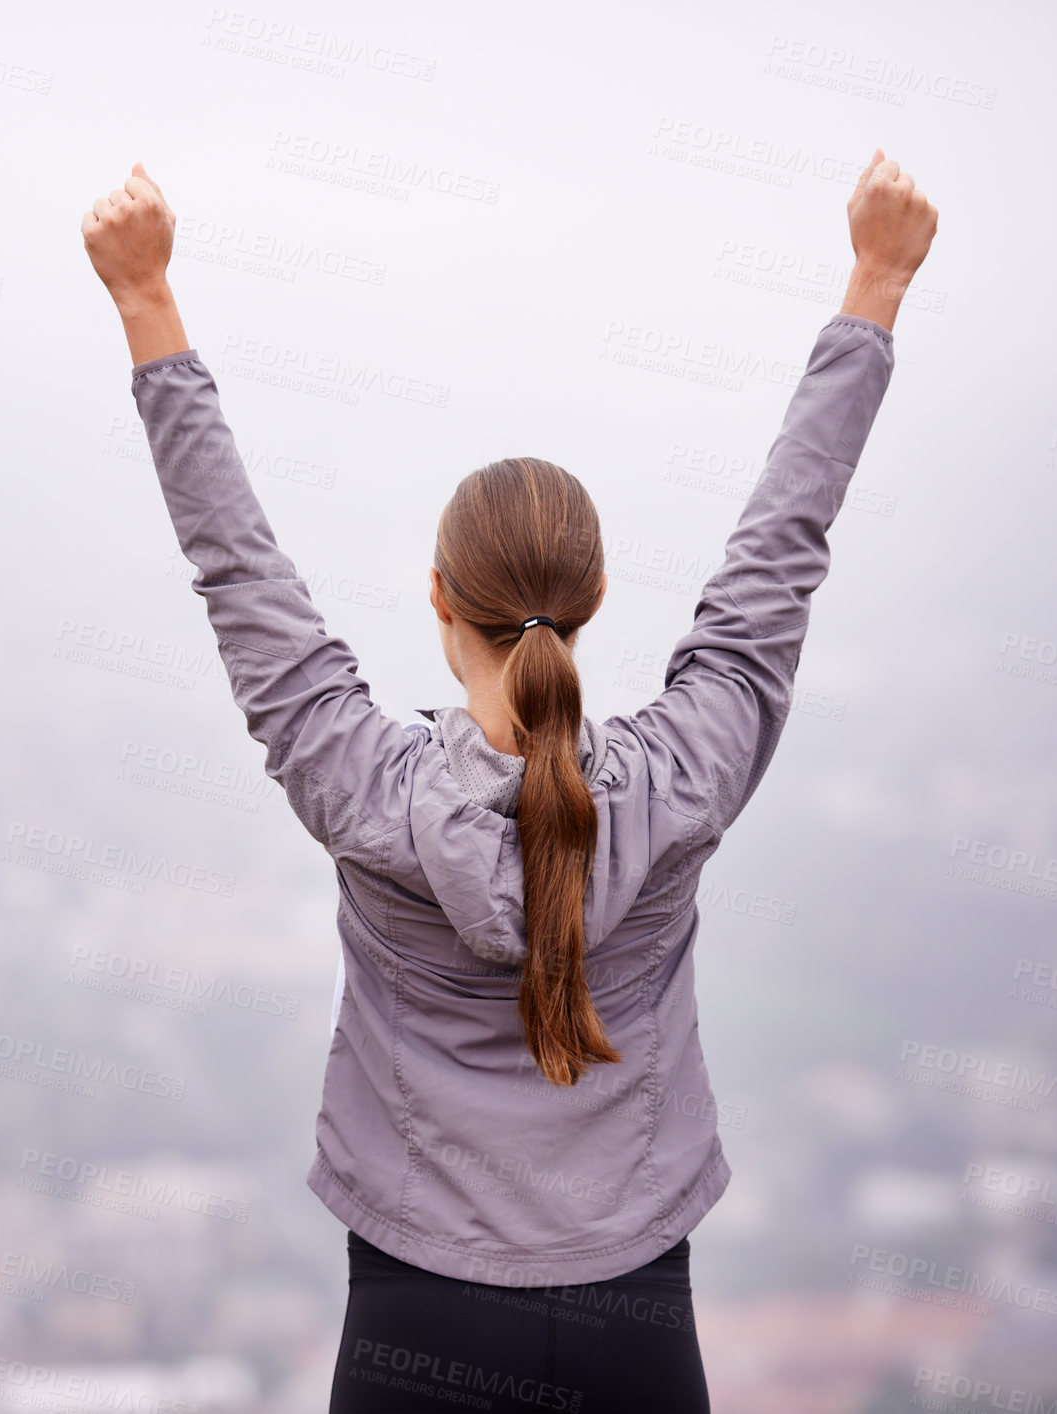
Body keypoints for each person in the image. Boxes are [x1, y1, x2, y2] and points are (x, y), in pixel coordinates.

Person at [81, 148, 938, 1412]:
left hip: (413, 1317)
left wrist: (147, 302)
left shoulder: (362, 784)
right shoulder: (680, 779)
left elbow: (240, 574)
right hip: (637, 1318)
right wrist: (876, 280)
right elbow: (778, 556)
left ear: (439, 600)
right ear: (590, 607)